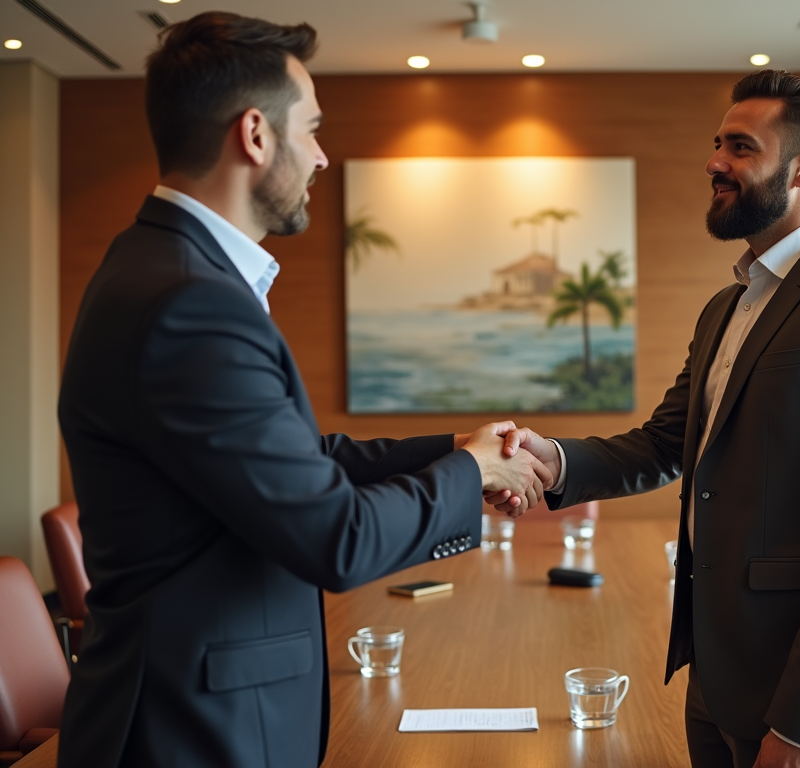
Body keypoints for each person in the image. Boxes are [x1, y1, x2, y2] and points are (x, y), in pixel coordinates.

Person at [57, 12, 548, 768]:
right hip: (188, 731)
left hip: (196, 709)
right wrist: (475, 471)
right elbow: (335, 537)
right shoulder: (187, 300)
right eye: (312, 129)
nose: (322, 156)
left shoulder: (168, 272)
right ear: (255, 135)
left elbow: (292, 461)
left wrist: (449, 451)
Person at [492, 71, 800, 768]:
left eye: (739, 147)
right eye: (716, 143)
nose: (714, 162)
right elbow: (668, 443)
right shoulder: (726, 307)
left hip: (799, 699)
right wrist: (553, 458)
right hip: (715, 677)